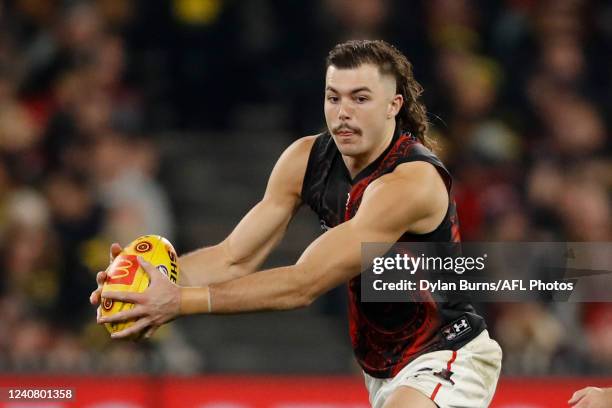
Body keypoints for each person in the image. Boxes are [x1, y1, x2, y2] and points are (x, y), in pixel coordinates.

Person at [90, 40, 502, 408]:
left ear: (393, 105)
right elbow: (234, 257)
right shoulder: (306, 160)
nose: (343, 113)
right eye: (333, 98)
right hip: (381, 370)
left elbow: (304, 283)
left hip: (449, 353)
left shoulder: (410, 182)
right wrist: (150, 283)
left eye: (360, 99)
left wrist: (181, 302)